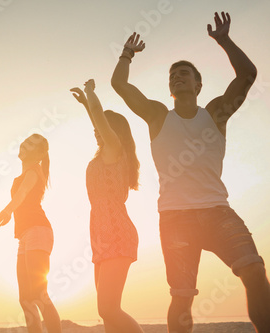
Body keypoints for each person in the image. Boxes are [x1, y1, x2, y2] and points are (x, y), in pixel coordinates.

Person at [111, 12, 270, 333]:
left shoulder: (215, 113)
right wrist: (127, 53)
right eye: (172, 76)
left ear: (199, 84)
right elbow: (119, 84)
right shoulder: (157, 115)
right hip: (175, 218)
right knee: (182, 298)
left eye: (184, 73)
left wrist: (224, 40)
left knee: (254, 272)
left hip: (218, 212)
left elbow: (248, 74)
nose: (176, 77)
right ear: (169, 89)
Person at [71, 80, 143, 333]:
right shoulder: (104, 153)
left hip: (116, 233)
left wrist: (91, 94)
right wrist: (87, 107)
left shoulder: (114, 150)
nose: (96, 129)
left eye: (102, 126)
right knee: (108, 315)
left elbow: (101, 122)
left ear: (115, 133)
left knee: (108, 309)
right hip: (101, 236)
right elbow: (99, 123)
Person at [0, 134, 61, 333]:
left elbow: (22, 193)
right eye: (25, 141)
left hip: (38, 231)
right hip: (25, 235)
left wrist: (7, 210)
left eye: (31, 144)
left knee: (39, 294)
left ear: (40, 154)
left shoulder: (34, 171)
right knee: (25, 299)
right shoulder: (24, 174)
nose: (25, 144)